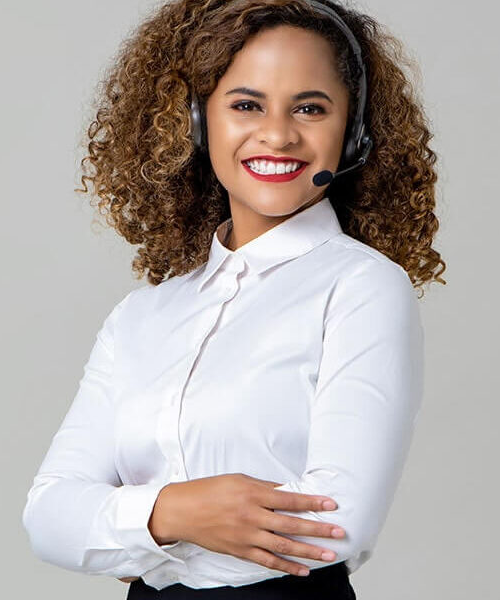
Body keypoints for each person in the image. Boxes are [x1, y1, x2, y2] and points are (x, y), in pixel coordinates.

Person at [22, 0, 446, 598]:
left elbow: (333, 527)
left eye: (310, 108)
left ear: (352, 134)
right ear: (196, 123)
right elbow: (48, 518)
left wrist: (132, 533)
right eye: (246, 105)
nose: (278, 134)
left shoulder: (362, 287)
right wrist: (179, 512)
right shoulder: (141, 317)